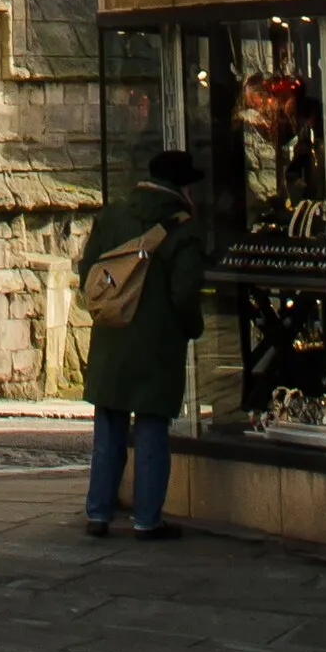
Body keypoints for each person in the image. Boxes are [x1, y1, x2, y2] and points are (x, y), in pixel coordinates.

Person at [77, 147, 208, 541]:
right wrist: (192, 329)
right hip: (156, 345)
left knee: (109, 431)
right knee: (151, 432)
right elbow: (185, 293)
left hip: (112, 338)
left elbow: (89, 271)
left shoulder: (113, 214)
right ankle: (147, 519)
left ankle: (98, 514)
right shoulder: (183, 228)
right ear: (184, 187)